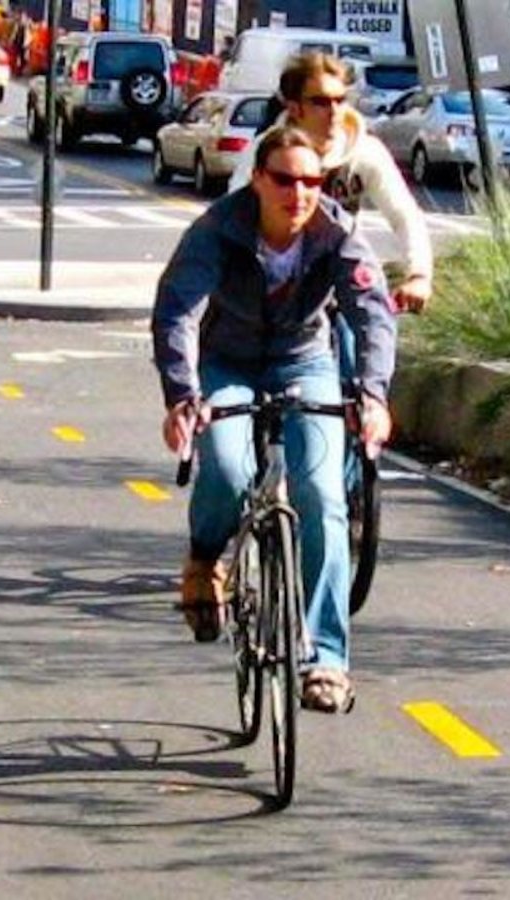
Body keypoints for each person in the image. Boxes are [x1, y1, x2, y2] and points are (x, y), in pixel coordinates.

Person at [152, 126, 397, 713]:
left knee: (320, 492)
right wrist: (182, 397)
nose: (300, 193)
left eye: (312, 181)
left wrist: (372, 395)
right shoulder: (219, 227)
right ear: (259, 178)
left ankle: (327, 661)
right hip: (227, 360)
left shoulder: (334, 233)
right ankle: (206, 557)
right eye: (285, 179)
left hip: (303, 359)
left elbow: (372, 314)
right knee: (230, 467)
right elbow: (177, 312)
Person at [230, 52, 432, 315]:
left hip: (339, 282)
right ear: (294, 108)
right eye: (321, 102)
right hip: (276, 286)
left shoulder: (363, 150)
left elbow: (404, 214)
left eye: (340, 100)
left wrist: (418, 275)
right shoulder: (268, 152)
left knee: (367, 339)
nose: (335, 112)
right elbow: (234, 213)